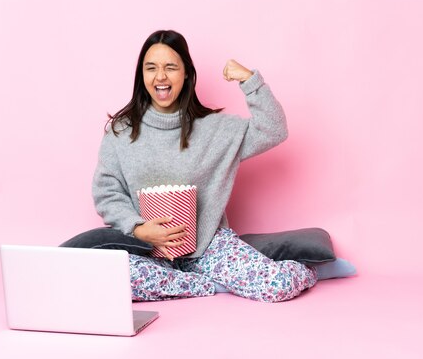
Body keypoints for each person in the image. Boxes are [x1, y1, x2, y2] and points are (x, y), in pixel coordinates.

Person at [91, 30, 317, 302]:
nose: (160, 77)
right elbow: (107, 192)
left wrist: (250, 81)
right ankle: (208, 285)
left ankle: (314, 271)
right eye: (151, 68)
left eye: (170, 67)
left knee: (277, 285)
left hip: (210, 247)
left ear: (186, 73)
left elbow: (274, 130)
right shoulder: (121, 132)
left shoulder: (215, 129)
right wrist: (138, 228)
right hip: (149, 251)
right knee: (111, 280)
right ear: (142, 75)